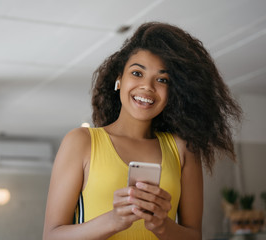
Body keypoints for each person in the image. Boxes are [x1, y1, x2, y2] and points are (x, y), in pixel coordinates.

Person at [42, 22, 242, 240]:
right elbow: (52, 236)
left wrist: (161, 225)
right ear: (119, 78)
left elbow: (194, 236)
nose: (147, 86)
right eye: (137, 73)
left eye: (162, 79)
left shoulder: (183, 150)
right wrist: (113, 221)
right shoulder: (81, 142)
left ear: (174, 91)